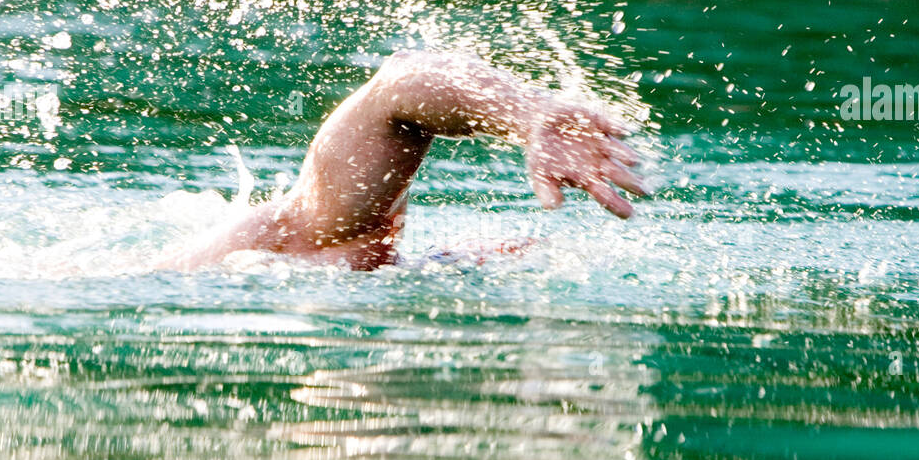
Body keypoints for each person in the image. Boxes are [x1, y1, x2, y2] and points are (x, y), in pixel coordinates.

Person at [154, 50, 647, 271]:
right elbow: (400, 84)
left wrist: (531, 115)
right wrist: (529, 115)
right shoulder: (310, 232)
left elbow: (403, 82)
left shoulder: (344, 243)